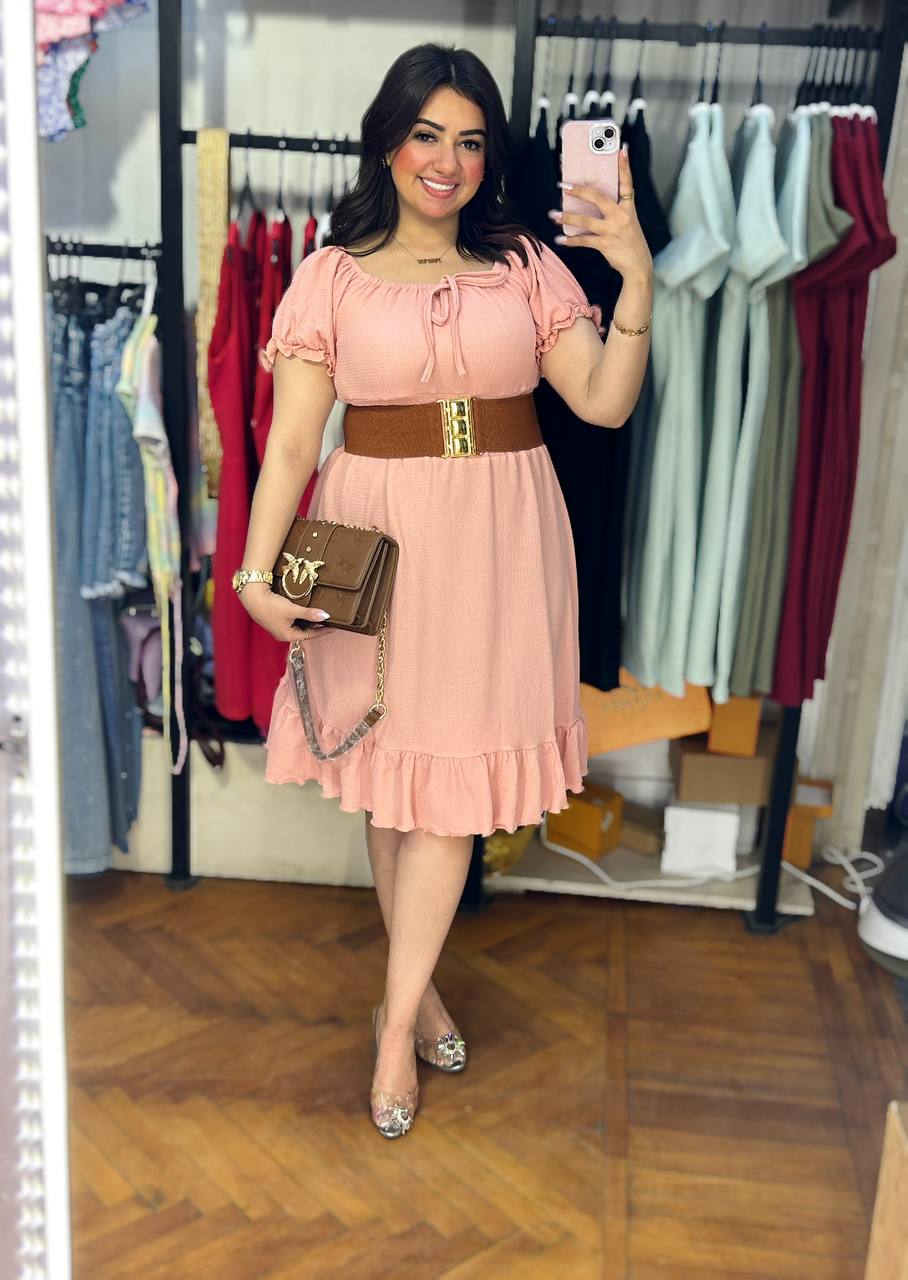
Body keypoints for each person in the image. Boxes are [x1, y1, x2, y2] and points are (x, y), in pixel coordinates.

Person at [234, 43, 653, 1138]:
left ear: (489, 157)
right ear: (388, 140)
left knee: (450, 795)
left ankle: (392, 1027)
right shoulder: (328, 276)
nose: (447, 161)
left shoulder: (524, 263)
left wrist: (636, 276)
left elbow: (603, 403)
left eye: (470, 141)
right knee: (394, 781)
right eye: (427, 134)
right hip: (372, 535)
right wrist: (254, 573)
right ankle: (413, 995)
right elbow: (291, 445)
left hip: (499, 539)